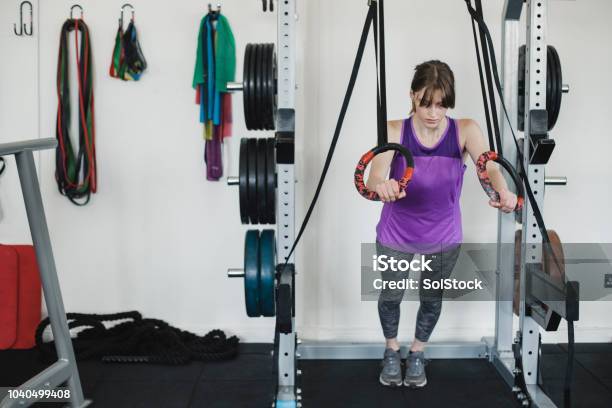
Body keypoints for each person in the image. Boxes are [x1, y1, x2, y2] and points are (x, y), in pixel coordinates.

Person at [366, 60, 518, 388]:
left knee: (431, 298)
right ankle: (392, 350)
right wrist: (382, 185)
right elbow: (376, 172)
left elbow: (487, 167)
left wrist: (501, 188)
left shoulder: (465, 130)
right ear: (412, 96)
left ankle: (418, 351)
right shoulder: (395, 130)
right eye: (426, 103)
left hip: (443, 236)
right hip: (396, 234)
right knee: (391, 296)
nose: (434, 113)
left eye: (442, 104)